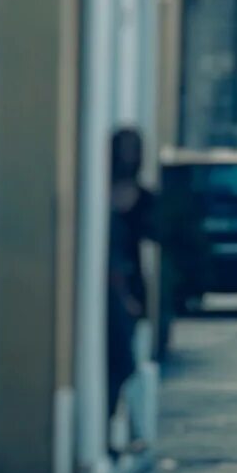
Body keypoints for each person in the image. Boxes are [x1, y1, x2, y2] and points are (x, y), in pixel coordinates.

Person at [106, 127, 156, 449]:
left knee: (130, 359)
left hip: (133, 285)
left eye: (133, 150)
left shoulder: (144, 198)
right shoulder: (100, 193)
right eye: (123, 150)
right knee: (120, 360)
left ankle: (135, 430)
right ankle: (114, 426)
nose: (129, 157)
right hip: (112, 286)